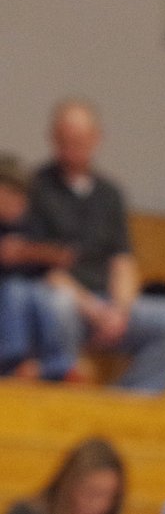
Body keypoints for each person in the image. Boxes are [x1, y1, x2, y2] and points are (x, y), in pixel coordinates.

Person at [26, 99, 165, 393]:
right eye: (64, 140)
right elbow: (41, 268)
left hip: (109, 304)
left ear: (96, 138)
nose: (72, 148)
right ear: (53, 138)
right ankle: (62, 389)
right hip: (66, 305)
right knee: (55, 305)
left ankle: (128, 399)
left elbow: (122, 259)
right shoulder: (35, 188)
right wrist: (94, 310)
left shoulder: (109, 193)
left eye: (79, 140)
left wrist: (120, 312)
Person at [0, 153, 79, 380]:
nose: (10, 201)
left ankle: (59, 366)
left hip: (36, 293)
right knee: (16, 290)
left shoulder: (34, 222)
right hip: (9, 296)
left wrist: (26, 251)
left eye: (16, 195)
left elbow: (64, 256)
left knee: (53, 298)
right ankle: (11, 363)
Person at [6, 436, 125, 514]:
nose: (97, 504)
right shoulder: (26, 511)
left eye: (108, 495)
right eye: (90, 492)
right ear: (69, 484)